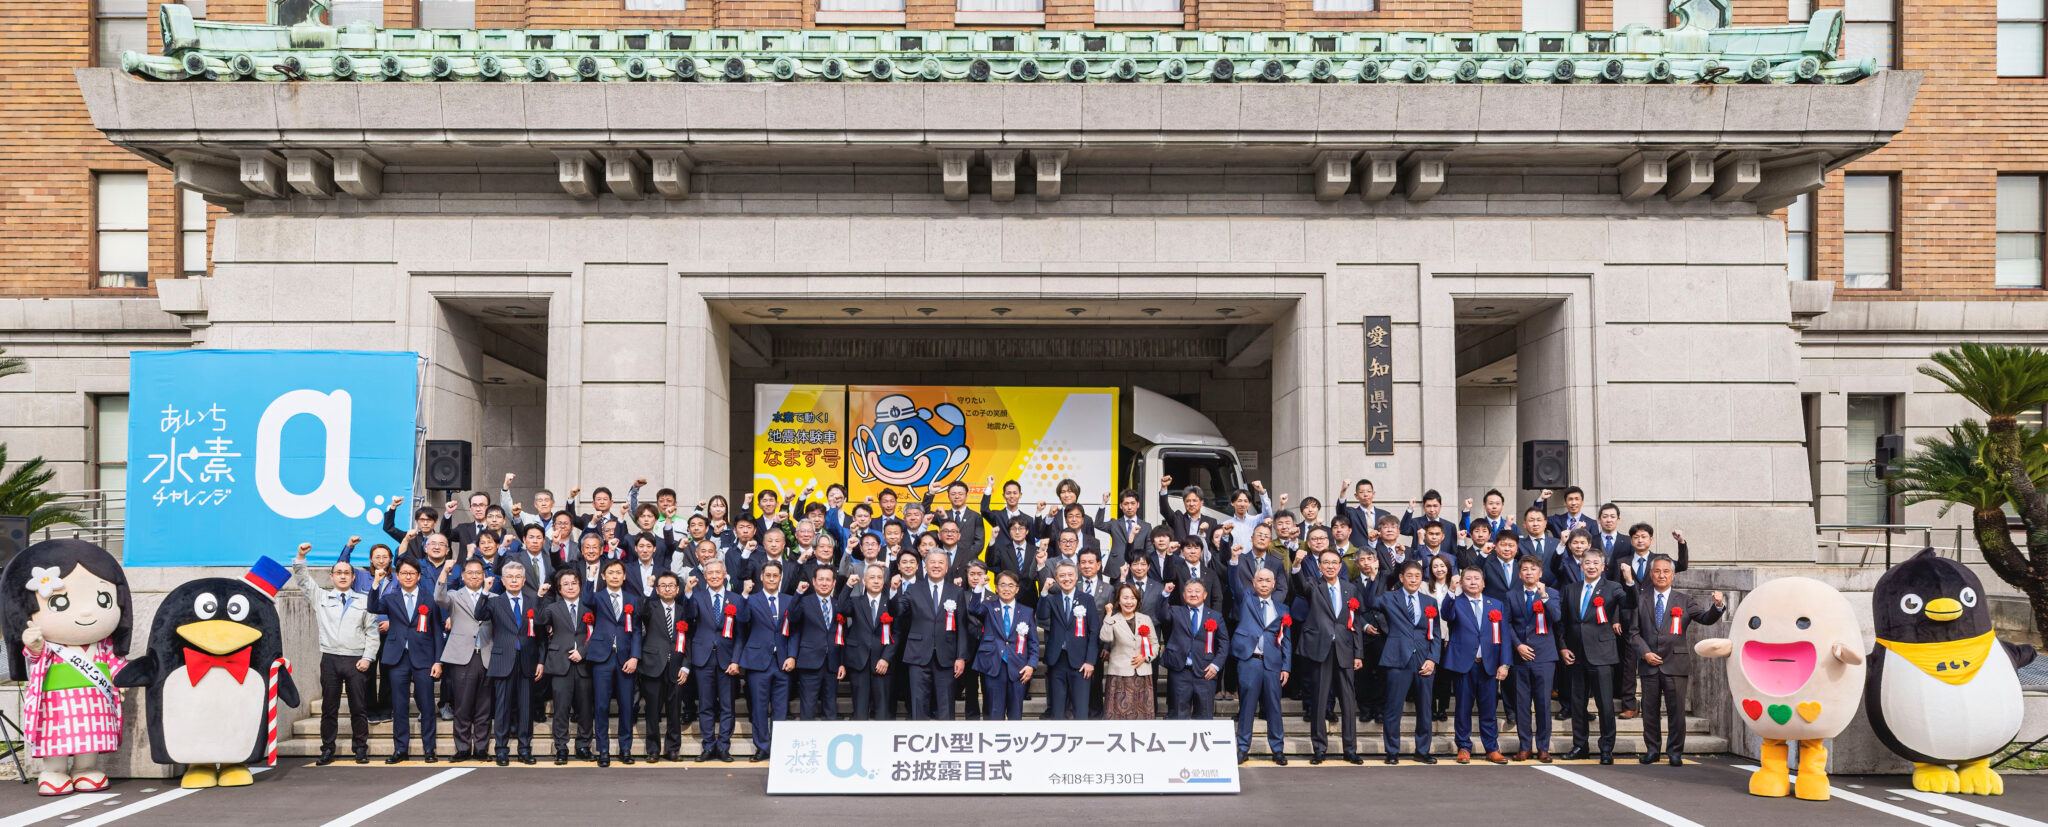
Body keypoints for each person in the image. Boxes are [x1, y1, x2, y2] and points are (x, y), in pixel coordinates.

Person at [1631, 555, 1725, 766]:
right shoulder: (1640, 598)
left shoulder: (1684, 600)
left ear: (1673, 575)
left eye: (1666, 571)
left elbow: (1705, 618)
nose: (1661, 575)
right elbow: (1633, 633)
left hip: (1675, 664)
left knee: (1676, 711)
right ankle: (1652, 750)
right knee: (1649, 711)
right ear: (1651, 574)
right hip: (1649, 664)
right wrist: (1645, 653)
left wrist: (1717, 606)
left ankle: (1675, 752)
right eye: (1657, 571)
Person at [293, 542, 379, 766]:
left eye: (346, 573)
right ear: (331, 577)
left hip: (356, 660)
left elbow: (372, 632)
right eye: (338, 573)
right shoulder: (321, 598)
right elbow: (303, 581)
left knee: (358, 708)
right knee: (329, 708)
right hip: (330, 659)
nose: (342, 576)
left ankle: (360, 748)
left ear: (353, 577)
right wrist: (301, 557)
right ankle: (327, 749)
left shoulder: (364, 601)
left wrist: (368, 658)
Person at [1290, 549, 1366, 764]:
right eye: (1326, 563)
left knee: (1348, 702)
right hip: (1320, 649)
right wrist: (1296, 565)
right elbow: (1299, 585)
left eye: (1334, 563)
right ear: (1319, 566)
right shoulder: (1313, 585)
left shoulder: (1351, 589)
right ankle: (1319, 748)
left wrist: (1358, 653)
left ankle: (1350, 749)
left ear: (1340, 566)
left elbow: (1355, 623)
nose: (1330, 566)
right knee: (1319, 700)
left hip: (1345, 649)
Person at [1440, 567, 1513, 765]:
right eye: (1468, 579)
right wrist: (1451, 590)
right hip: (1464, 664)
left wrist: (1505, 664)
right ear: (1461, 582)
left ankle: (1492, 748)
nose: (1473, 582)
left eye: (1477, 578)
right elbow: (1445, 614)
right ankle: (1464, 747)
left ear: (1483, 583)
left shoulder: (1495, 604)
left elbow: (1504, 636)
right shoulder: (1456, 602)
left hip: (1489, 665)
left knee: (1489, 710)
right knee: (1463, 708)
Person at [1561, 552, 1626, 764]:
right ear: (1581, 566)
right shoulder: (1571, 589)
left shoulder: (1613, 587)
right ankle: (1580, 746)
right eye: (1587, 563)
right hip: (1576, 654)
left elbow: (1630, 603)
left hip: (1602, 654)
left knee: (1605, 705)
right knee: (1577, 704)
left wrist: (1629, 581)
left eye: (1595, 563)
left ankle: (1606, 749)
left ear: (1603, 566)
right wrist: (1563, 647)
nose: (1591, 566)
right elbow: (1563, 621)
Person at [377, 558, 445, 764]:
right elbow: (372, 606)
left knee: (427, 705)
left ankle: (429, 749)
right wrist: (376, 583)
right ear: (398, 576)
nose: (408, 576)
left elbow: (437, 632)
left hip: (424, 658)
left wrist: (438, 661)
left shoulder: (428, 599)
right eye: (404, 573)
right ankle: (400, 749)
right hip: (398, 658)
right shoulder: (390, 597)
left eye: (412, 573)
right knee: (399, 706)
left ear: (418, 576)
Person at [1376, 560, 1441, 765]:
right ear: (1401, 578)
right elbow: (1369, 603)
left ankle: (1422, 750)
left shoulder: (1430, 601)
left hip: (1424, 659)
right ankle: (1392, 751)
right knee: (1393, 707)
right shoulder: (1389, 597)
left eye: (1417, 576)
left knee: (1425, 708)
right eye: (1409, 576)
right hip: (1397, 658)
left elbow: (1436, 633)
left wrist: (1432, 659)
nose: (1413, 579)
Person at [892, 551, 970, 720]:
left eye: (940, 562)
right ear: (925, 567)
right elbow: (897, 611)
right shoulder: (913, 589)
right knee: (918, 704)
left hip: (947, 655)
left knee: (946, 706)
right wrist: (893, 591)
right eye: (932, 562)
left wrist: (961, 656)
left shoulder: (956, 591)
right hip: (918, 654)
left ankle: (946, 736)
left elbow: (962, 627)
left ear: (946, 567)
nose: (936, 566)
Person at [477, 560, 540, 766]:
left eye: (517, 577)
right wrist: (485, 592)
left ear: (524, 580)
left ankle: (524, 749)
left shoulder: (533, 601)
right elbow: (479, 614)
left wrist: (541, 661)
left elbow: (541, 635)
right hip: (503, 660)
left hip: (527, 661)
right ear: (502, 581)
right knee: (502, 708)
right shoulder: (495, 602)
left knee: (525, 708)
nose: (514, 580)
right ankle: (501, 750)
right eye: (509, 577)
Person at [434, 558, 496, 763]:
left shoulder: (493, 597)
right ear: (463, 576)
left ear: (484, 575)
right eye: (470, 573)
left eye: (478, 573)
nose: (474, 576)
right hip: (462, 657)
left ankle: (481, 748)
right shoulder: (454, 596)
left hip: (486, 654)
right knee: (462, 705)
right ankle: (462, 748)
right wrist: (444, 572)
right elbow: (439, 597)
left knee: (484, 707)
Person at [683, 560, 743, 762]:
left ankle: (724, 746)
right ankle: (708, 746)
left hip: (727, 660)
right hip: (704, 658)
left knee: (727, 706)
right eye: (711, 573)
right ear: (705, 576)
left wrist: (736, 660)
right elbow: (688, 616)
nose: (715, 576)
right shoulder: (696, 597)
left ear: (725, 574)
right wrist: (688, 592)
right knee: (706, 705)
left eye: (718, 572)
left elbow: (740, 634)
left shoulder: (736, 599)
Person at [1229, 567, 1290, 765]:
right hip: (1250, 661)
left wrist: (1286, 667)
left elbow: (1286, 640)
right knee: (1247, 707)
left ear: (1274, 584)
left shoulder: (1282, 609)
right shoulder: (1247, 599)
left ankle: (1277, 749)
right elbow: (1235, 585)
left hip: (1273, 663)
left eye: (1267, 580)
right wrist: (1234, 562)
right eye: (1260, 580)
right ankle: (1242, 748)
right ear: (1254, 583)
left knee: (1274, 707)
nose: (1264, 584)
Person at [1507, 556, 1561, 762]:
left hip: (1544, 656)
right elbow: (1507, 623)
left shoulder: (1552, 593)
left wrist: (1544, 596)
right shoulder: (1511, 595)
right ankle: (1524, 746)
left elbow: (1556, 617)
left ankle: (1543, 747)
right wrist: (1518, 645)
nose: (1529, 572)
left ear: (1540, 573)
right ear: (1519, 574)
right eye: (1525, 569)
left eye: (1533, 569)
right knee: (1522, 704)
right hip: (1520, 657)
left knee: (1543, 704)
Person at [740, 561, 793, 760]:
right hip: (758, 661)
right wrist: (744, 595)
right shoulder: (751, 599)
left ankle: (778, 747)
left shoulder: (789, 600)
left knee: (780, 709)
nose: (771, 579)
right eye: (768, 575)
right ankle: (762, 747)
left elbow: (795, 631)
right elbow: (742, 619)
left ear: (781, 578)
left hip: (782, 662)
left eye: (775, 575)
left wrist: (792, 655)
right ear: (761, 577)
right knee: (759, 708)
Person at [539, 569, 593, 764]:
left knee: (585, 708)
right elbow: (539, 621)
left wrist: (583, 652)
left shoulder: (590, 608)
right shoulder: (552, 608)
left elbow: (596, 634)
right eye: (566, 584)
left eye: (574, 583)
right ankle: (561, 747)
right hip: (560, 664)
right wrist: (541, 597)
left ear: (580, 586)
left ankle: (583, 746)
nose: (570, 587)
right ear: (560, 589)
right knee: (561, 709)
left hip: (584, 664)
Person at [968, 571, 1037, 721]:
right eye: (1003, 585)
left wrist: (1031, 665)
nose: (1006, 589)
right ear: (996, 588)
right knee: (994, 713)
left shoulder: (1027, 611)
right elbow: (973, 609)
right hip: (993, 665)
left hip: (1018, 667)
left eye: (1011, 585)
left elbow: (1033, 642)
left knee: (1015, 714)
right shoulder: (988, 607)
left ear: (1017, 589)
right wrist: (979, 586)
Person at [637, 572, 690, 763]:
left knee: (674, 710)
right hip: (653, 666)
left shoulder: (684, 610)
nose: (667, 588)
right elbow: (640, 611)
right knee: (652, 711)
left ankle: (672, 749)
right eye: (663, 585)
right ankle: (653, 750)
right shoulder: (650, 607)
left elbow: (689, 640)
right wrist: (647, 588)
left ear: (677, 589)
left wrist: (686, 666)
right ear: (657, 590)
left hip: (676, 668)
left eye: (671, 585)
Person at [1038, 562, 1097, 720]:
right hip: (1057, 660)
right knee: (1057, 712)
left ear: (1077, 576)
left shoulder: (1087, 599)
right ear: (1056, 578)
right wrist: (1044, 591)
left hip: (1081, 662)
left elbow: (1093, 632)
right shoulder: (1052, 599)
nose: (1067, 579)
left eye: (1070, 575)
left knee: (1081, 711)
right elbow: (1042, 616)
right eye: (1062, 575)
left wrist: (1090, 661)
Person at [783, 568, 844, 721]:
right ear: (814, 582)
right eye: (821, 579)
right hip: (809, 662)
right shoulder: (804, 601)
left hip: (832, 664)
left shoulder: (837, 604)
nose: (824, 583)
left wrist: (842, 663)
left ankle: (830, 735)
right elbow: (792, 617)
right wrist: (798, 593)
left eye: (828, 580)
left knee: (830, 707)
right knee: (808, 707)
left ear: (834, 583)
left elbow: (842, 635)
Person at [1162, 579, 1225, 720]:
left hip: (1205, 673)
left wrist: (1216, 665)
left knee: (1204, 717)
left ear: (1205, 595)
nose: (1193, 594)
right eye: (1189, 591)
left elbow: (1224, 643)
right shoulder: (1175, 611)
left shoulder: (1215, 616)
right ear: (1184, 595)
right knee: (1177, 716)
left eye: (1197, 591)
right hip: (1180, 672)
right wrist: (1165, 594)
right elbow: (1161, 614)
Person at [1099, 583, 1161, 721]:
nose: (1129, 602)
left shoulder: (1145, 619)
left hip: (1142, 674)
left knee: (1142, 716)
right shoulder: (1113, 620)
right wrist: (1108, 615)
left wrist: (1145, 656)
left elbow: (1155, 644)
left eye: (1133, 598)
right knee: (1118, 716)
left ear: (1137, 601)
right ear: (1118, 600)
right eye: (1125, 598)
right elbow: (1106, 637)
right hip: (1119, 676)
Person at [843, 564, 894, 720]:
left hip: (882, 663)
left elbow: (896, 633)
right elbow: (841, 608)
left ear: (884, 581)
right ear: (864, 581)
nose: (876, 581)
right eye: (872, 578)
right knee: (860, 710)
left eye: (879, 577)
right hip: (859, 661)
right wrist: (848, 586)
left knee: (882, 711)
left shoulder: (890, 603)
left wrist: (886, 658)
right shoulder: (856, 601)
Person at [1419, 555, 1457, 721]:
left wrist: (1449, 636)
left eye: (1442, 566)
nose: (1439, 569)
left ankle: (1442, 708)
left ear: (1448, 568)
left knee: (1445, 675)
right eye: (1435, 566)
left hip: (1449, 637)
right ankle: (1431, 708)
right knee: (1430, 673)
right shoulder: (1423, 587)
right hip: (1429, 636)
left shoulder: (1456, 587)